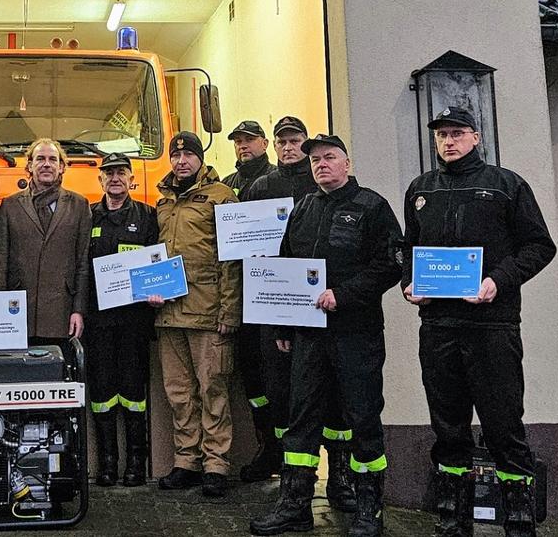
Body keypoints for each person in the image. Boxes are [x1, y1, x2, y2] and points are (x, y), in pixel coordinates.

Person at [402, 108, 556, 537]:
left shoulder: (506, 185)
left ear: (476, 137)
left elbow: (540, 246)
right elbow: (408, 251)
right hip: (438, 326)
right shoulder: (420, 189)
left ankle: (520, 521)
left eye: (456, 134)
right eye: (441, 135)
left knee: (503, 424)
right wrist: (409, 284)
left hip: (492, 326)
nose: (448, 142)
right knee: (448, 425)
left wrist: (497, 282)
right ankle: (453, 517)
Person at [250, 135, 403, 537]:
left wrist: (345, 295)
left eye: (329, 157)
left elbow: (391, 265)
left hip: (356, 333)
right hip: (309, 336)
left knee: (361, 417)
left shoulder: (372, 207)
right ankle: (295, 506)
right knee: (301, 419)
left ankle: (369, 508)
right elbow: (286, 266)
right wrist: (283, 325)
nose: (321, 164)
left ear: (347, 163)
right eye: (315, 159)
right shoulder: (304, 209)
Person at [150, 130, 241, 499]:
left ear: (200, 159)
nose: (181, 161)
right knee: (179, 393)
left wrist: (229, 311)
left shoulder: (221, 197)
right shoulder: (162, 201)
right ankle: (185, 461)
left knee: (213, 389)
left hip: (208, 312)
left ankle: (216, 464)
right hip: (170, 314)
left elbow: (232, 257)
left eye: (188, 155)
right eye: (176, 155)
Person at [235, 116, 318, 486]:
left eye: (294, 140)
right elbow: (242, 244)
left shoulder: (321, 183)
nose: (288, 147)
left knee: (319, 387)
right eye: (282, 141)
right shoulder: (260, 186)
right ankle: (280, 458)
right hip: (270, 300)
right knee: (273, 386)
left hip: (316, 300)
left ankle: (331, 474)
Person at [82, 152, 160, 488]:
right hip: (98, 321)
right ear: (100, 180)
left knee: (133, 392)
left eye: (121, 173)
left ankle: (136, 465)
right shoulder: (88, 217)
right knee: (101, 395)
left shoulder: (147, 216)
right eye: (109, 173)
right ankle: (108, 465)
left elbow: (160, 259)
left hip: (134, 321)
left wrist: (159, 288)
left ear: (132, 179)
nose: (115, 178)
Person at [0, 138, 91, 340]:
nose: (46, 164)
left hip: (61, 312)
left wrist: (78, 310)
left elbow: (82, 263)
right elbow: (0, 262)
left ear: (62, 167)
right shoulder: (9, 206)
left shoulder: (79, 205)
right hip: (18, 312)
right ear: (29, 165)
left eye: (53, 159)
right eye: (40, 159)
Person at [222, 120, 272, 194]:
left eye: (249, 139)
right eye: (238, 141)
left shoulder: (277, 180)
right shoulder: (226, 185)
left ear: (264, 144)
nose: (243, 146)